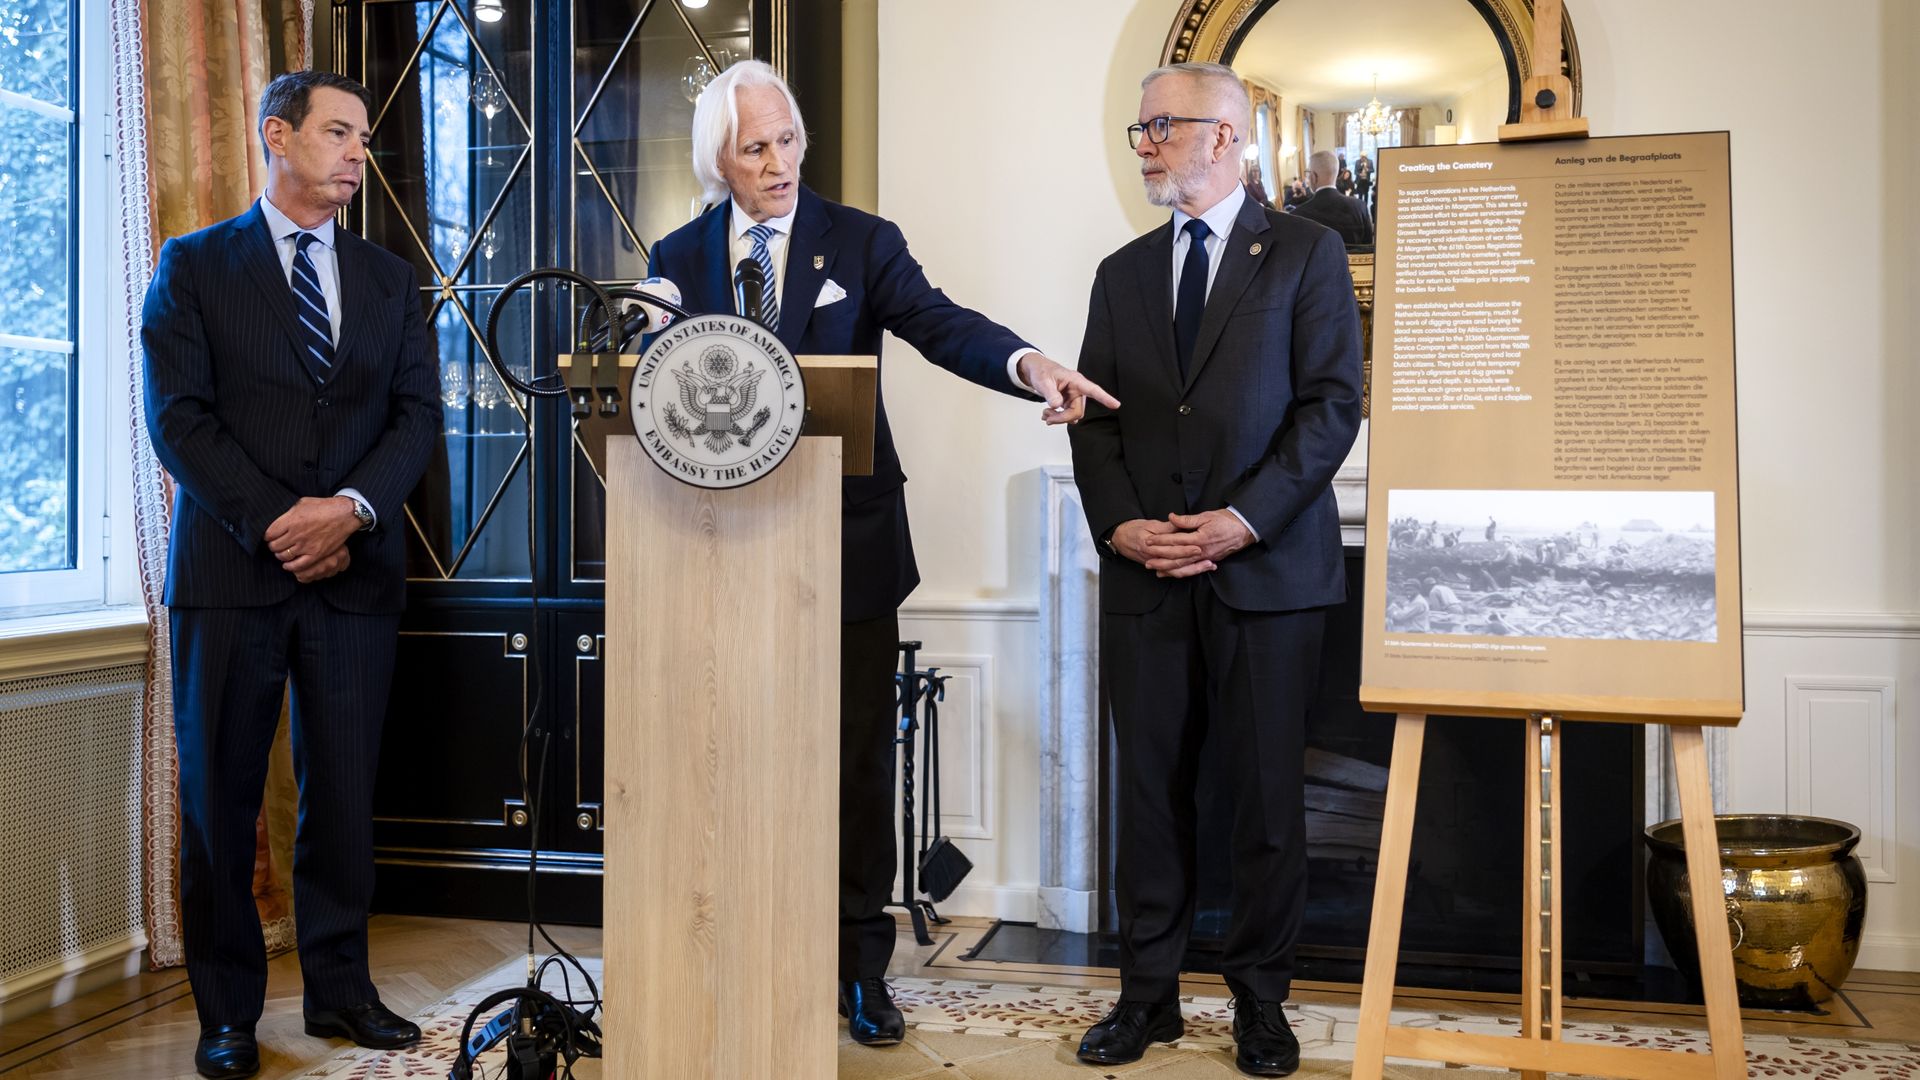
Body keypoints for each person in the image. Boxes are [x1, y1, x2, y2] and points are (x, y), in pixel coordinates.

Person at [644, 60, 1116, 1049]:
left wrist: (1025, 360)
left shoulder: (859, 242)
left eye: (788, 138)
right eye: (755, 146)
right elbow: (660, 395)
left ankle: (860, 970)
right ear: (717, 160)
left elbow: (940, 324)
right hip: (723, 556)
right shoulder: (679, 257)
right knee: (744, 766)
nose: (780, 160)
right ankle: (749, 948)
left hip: (846, 552)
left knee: (855, 766)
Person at [142, 71, 440, 1079]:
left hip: (355, 575)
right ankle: (227, 1014)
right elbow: (179, 420)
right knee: (220, 802)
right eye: (339, 133)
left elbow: (417, 420)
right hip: (231, 573)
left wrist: (349, 511)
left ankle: (342, 993)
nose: (359, 153)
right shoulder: (192, 266)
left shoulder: (394, 279)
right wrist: (280, 521)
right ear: (278, 135)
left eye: (364, 138)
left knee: (344, 799)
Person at [1068, 61, 1362, 1078]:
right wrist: (1120, 529)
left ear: (1224, 137)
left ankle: (1261, 1004)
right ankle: (1146, 1000)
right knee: (1147, 797)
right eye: (1140, 128)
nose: (1142, 142)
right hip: (1148, 578)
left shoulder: (1309, 254)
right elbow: (1094, 424)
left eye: (1160, 126)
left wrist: (1241, 520)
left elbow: (1331, 409)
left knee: (1266, 802)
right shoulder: (1122, 274)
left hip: (1270, 575)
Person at [1289, 150, 1373, 246]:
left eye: (1308, 173)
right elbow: (1368, 248)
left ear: (1314, 176)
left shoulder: (1297, 215)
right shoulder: (1360, 206)